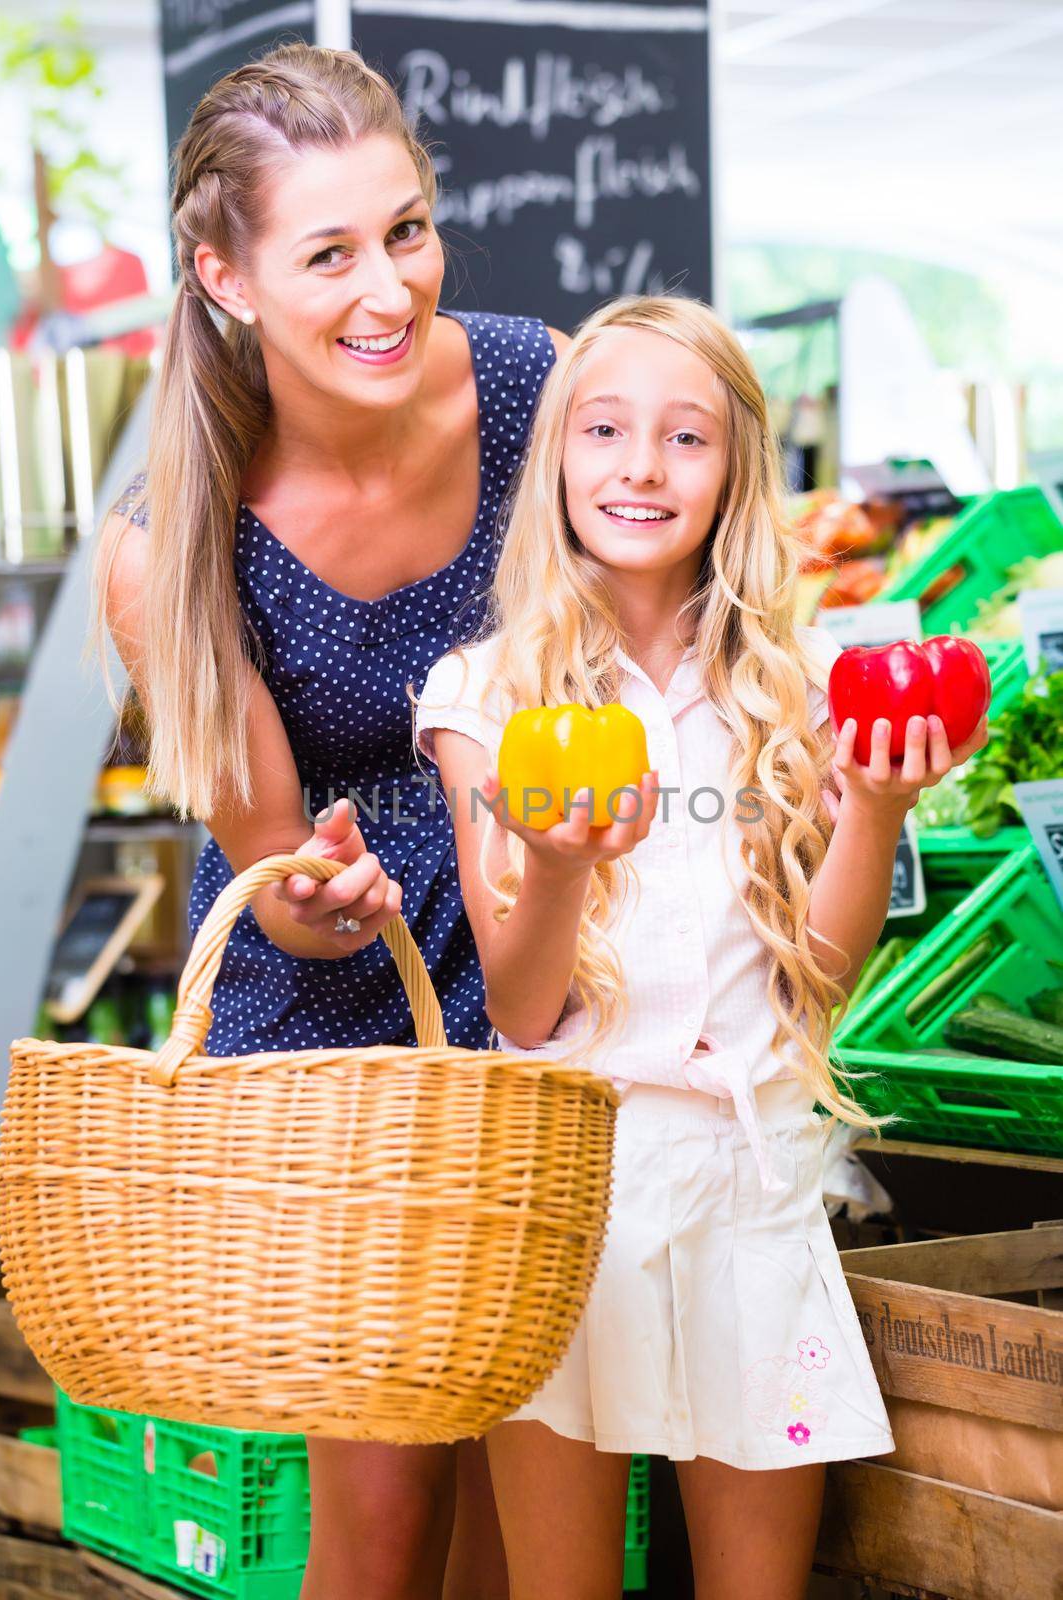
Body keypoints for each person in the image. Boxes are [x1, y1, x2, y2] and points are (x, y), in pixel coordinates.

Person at [413, 294, 988, 1600]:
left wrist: (879, 808)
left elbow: (816, 986)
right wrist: (555, 869)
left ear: (736, 472)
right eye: (604, 429)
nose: (640, 467)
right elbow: (518, 1000)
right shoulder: (486, 696)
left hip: (751, 1180)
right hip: (574, 1189)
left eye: (687, 438)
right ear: (555, 456)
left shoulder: (792, 689)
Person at [96, 42, 567, 1600]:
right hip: (349, 1014)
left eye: (410, 230)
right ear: (224, 274)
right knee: (384, 1514)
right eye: (330, 252)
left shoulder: (535, 388)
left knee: (545, 1491)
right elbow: (275, 875)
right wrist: (325, 894)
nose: (390, 290)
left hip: (549, 942)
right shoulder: (175, 540)